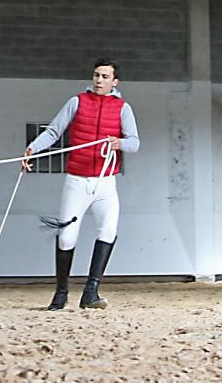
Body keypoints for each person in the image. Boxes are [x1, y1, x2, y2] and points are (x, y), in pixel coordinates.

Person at [22, 58, 140, 311]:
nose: (99, 80)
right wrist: (32, 149)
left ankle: (91, 292)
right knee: (66, 236)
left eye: (105, 76)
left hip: (105, 183)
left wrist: (118, 143)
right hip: (77, 180)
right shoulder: (77, 102)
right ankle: (61, 293)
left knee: (108, 231)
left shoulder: (122, 108)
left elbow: (134, 142)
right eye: (97, 75)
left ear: (115, 82)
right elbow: (54, 132)